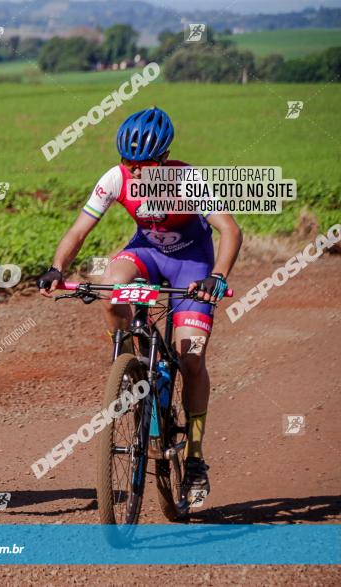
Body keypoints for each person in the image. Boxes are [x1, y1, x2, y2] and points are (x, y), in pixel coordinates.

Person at [37, 107, 242, 499]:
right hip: (146, 253)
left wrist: (216, 277)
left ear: (164, 160)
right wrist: (56, 267)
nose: (132, 170)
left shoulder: (188, 179)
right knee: (111, 286)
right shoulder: (116, 177)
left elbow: (230, 230)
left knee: (192, 359)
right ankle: (130, 363)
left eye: (142, 164)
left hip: (192, 263)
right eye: (127, 161)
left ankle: (196, 458)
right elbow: (79, 230)